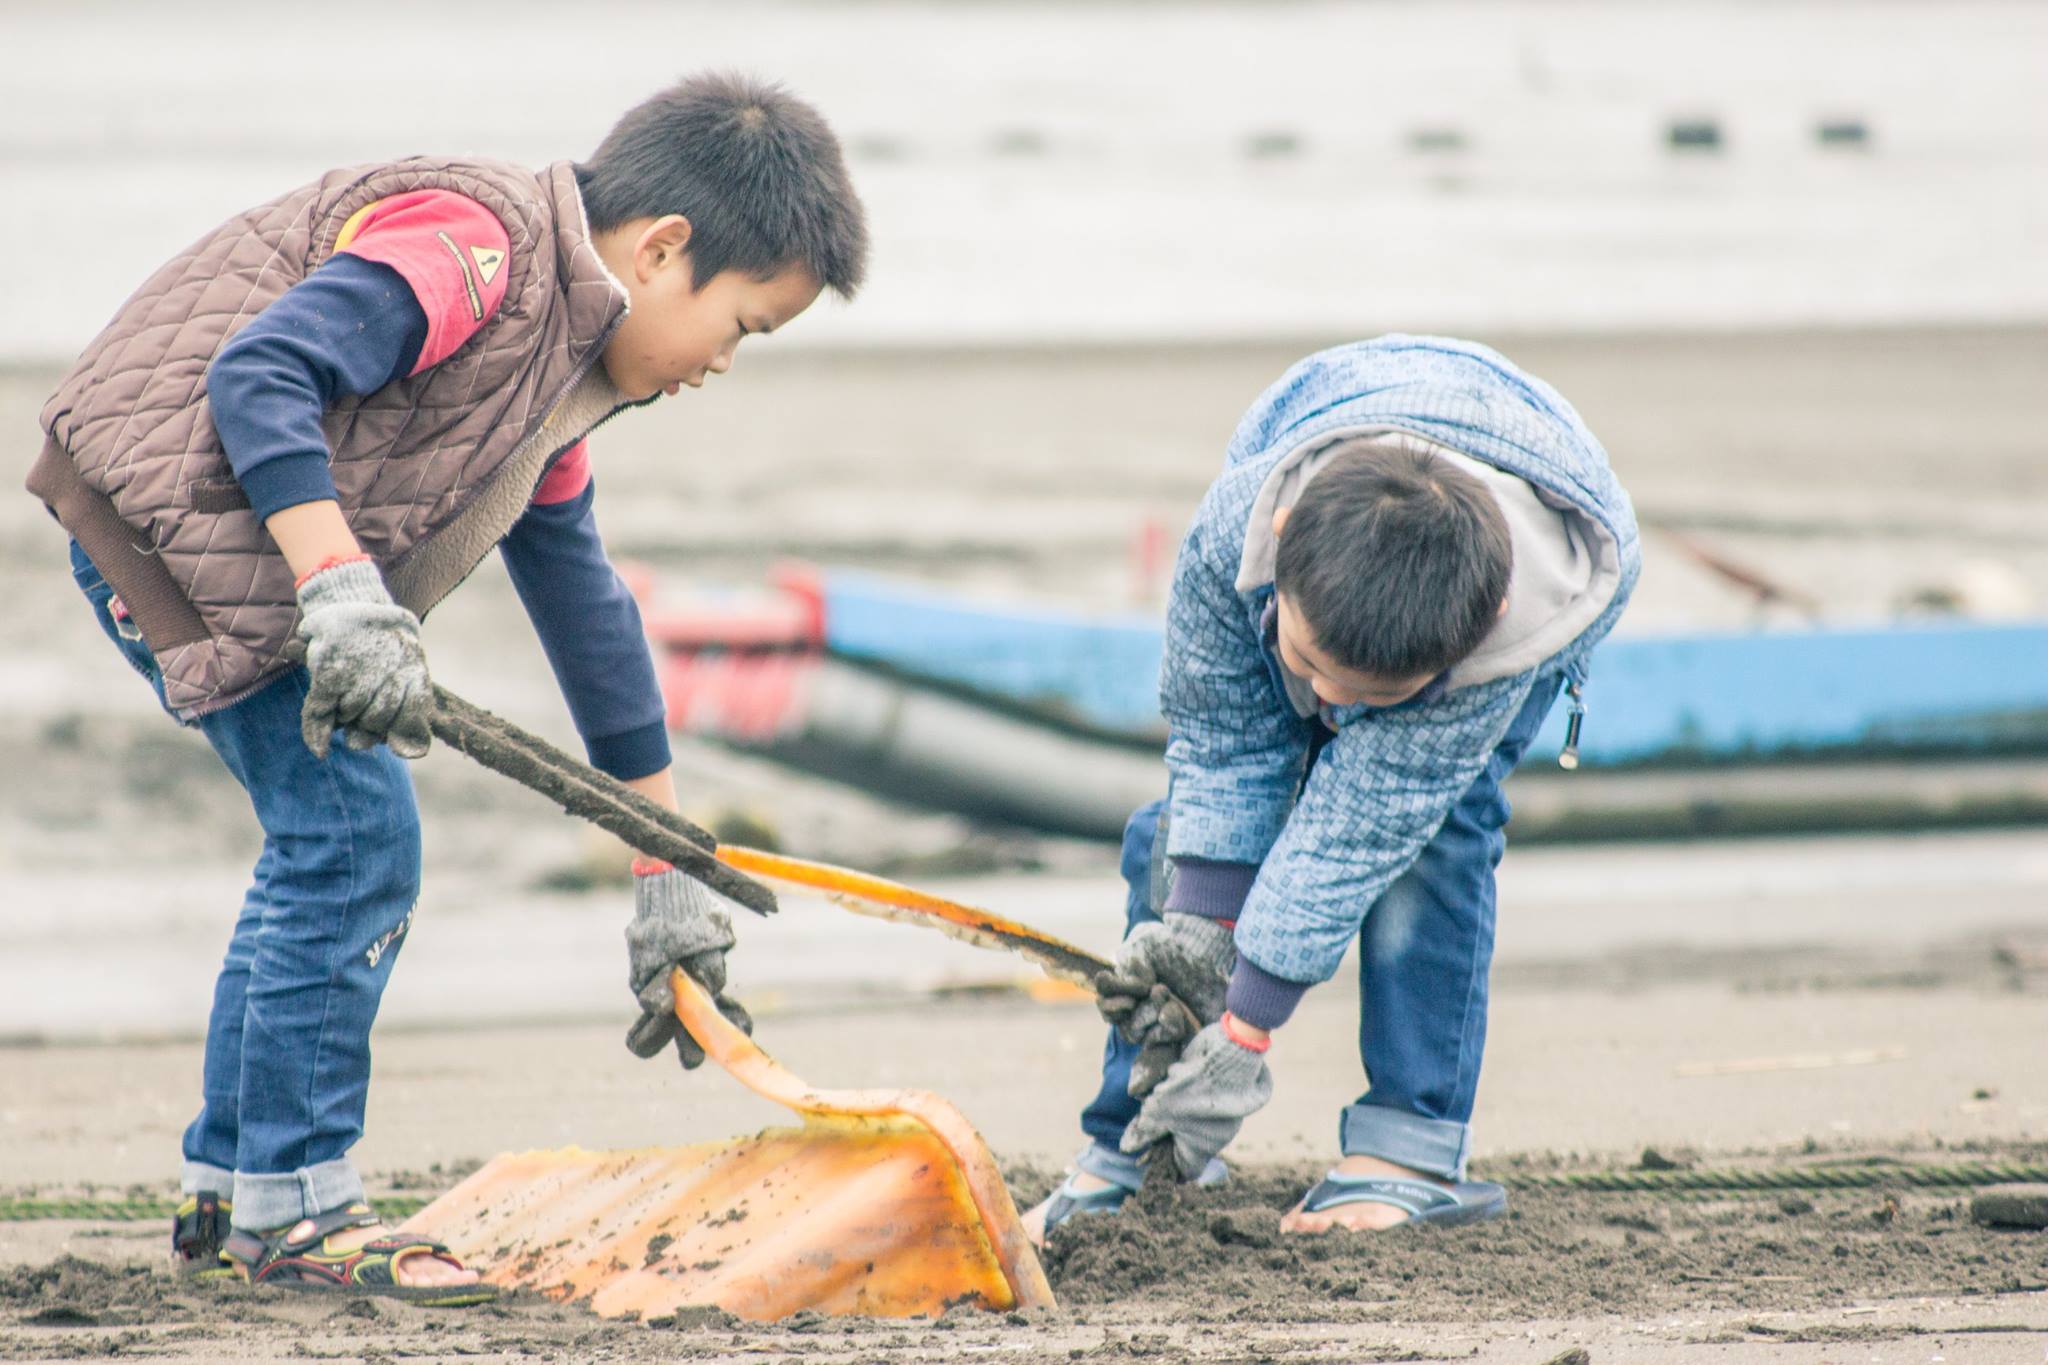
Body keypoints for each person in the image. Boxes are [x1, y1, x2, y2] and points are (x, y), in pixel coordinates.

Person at [27, 72, 867, 1300]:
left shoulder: (556, 392)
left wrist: (665, 862)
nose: (725, 363)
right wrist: (342, 588)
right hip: (179, 526)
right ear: (664, 246)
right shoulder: (478, 250)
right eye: (742, 324)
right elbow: (260, 374)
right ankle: (298, 1211)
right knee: (358, 839)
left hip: (224, 552)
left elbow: (586, 610)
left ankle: (233, 1186)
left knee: (320, 838)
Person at [1022, 335, 1639, 1241]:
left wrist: (1247, 1031)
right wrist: (1201, 943)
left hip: (1519, 583)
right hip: (1341, 432)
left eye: (1373, 694)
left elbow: (1352, 836)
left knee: (1431, 835)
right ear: (1278, 547)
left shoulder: (1506, 637)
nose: (1333, 703)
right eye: (1311, 667)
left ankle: (1410, 1146)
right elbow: (1225, 750)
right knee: (1177, 836)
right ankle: (1136, 1141)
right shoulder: (1231, 533)